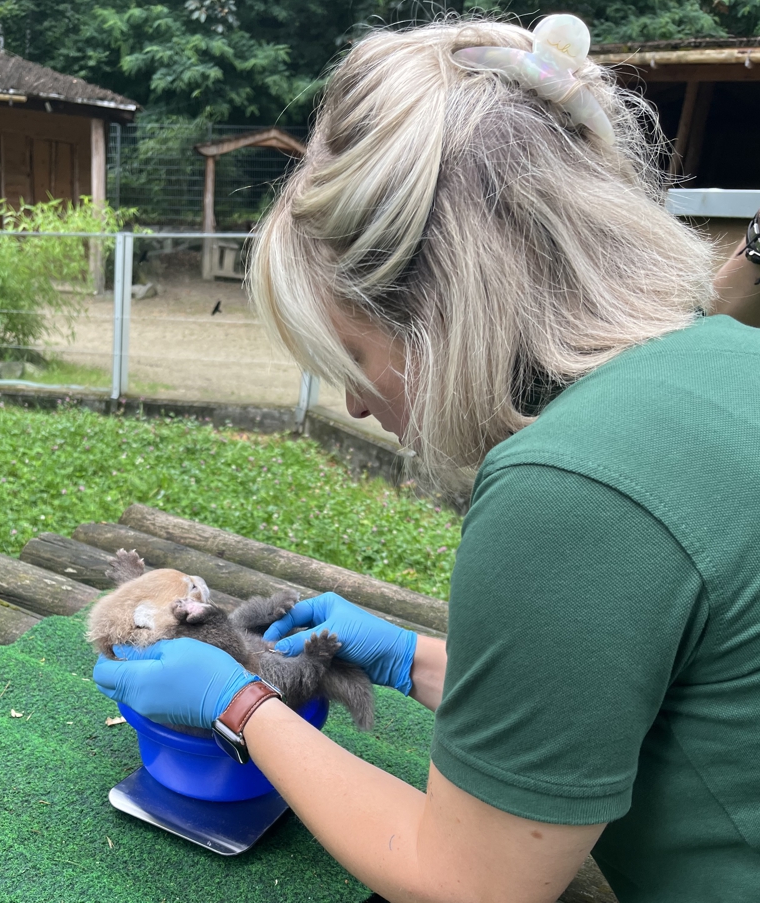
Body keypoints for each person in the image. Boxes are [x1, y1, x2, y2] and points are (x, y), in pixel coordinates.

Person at [94, 14, 760, 903]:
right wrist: (411, 657)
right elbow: (599, 690)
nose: (353, 404)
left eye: (353, 356)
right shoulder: (727, 354)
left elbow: (470, 882)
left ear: (443, 314)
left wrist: (239, 706)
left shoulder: (569, 485)